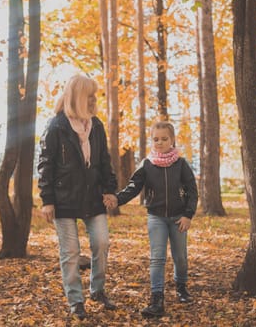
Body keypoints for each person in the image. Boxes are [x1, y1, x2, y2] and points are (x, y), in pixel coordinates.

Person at [37, 73, 118, 320]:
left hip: (93, 198)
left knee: (101, 243)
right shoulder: (56, 127)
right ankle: (75, 300)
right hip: (63, 200)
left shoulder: (97, 126)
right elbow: (45, 165)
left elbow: (104, 161)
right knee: (70, 251)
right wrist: (47, 200)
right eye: (90, 96)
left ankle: (98, 290)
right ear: (78, 97)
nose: (94, 100)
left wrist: (110, 189)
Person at [106, 121, 198, 318]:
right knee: (157, 258)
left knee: (180, 257)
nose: (160, 142)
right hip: (156, 217)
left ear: (172, 140)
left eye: (164, 139)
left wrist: (188, 215)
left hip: (178, 218)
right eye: (156, 139)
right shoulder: (147, 164)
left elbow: (192, 190)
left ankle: (181, 288)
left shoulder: (181, 164)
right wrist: (117, 199)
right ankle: (157, 299)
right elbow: (133, 186)